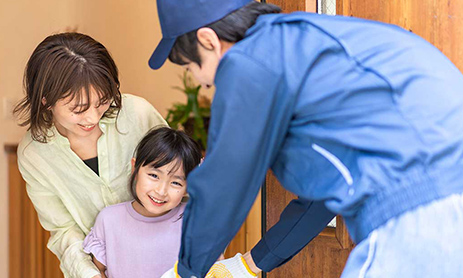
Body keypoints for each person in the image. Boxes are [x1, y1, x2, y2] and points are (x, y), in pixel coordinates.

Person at [150, 1, 463, 278]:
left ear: (208, 40)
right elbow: (324, 194)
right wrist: (249, 264)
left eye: (192, 66)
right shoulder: (306, 47)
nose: (203, 83)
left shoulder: (250, 61)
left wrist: (186, 271)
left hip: (421, 221)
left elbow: (226, 180)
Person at [14, 32, 167, 278]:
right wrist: (89, 274)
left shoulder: (138, 114)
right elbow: (64, 230)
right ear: (46, 100)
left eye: (103, 101)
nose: (92, 118)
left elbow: (180, 180)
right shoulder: (34, 154)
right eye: (78, 109)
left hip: (171, 258)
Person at [82, 127, 202, 278]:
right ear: (135, 168)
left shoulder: (194, 220)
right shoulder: (109, 220)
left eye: (176, 183)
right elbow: (98, 271)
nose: (161, 191)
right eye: (154, 175)